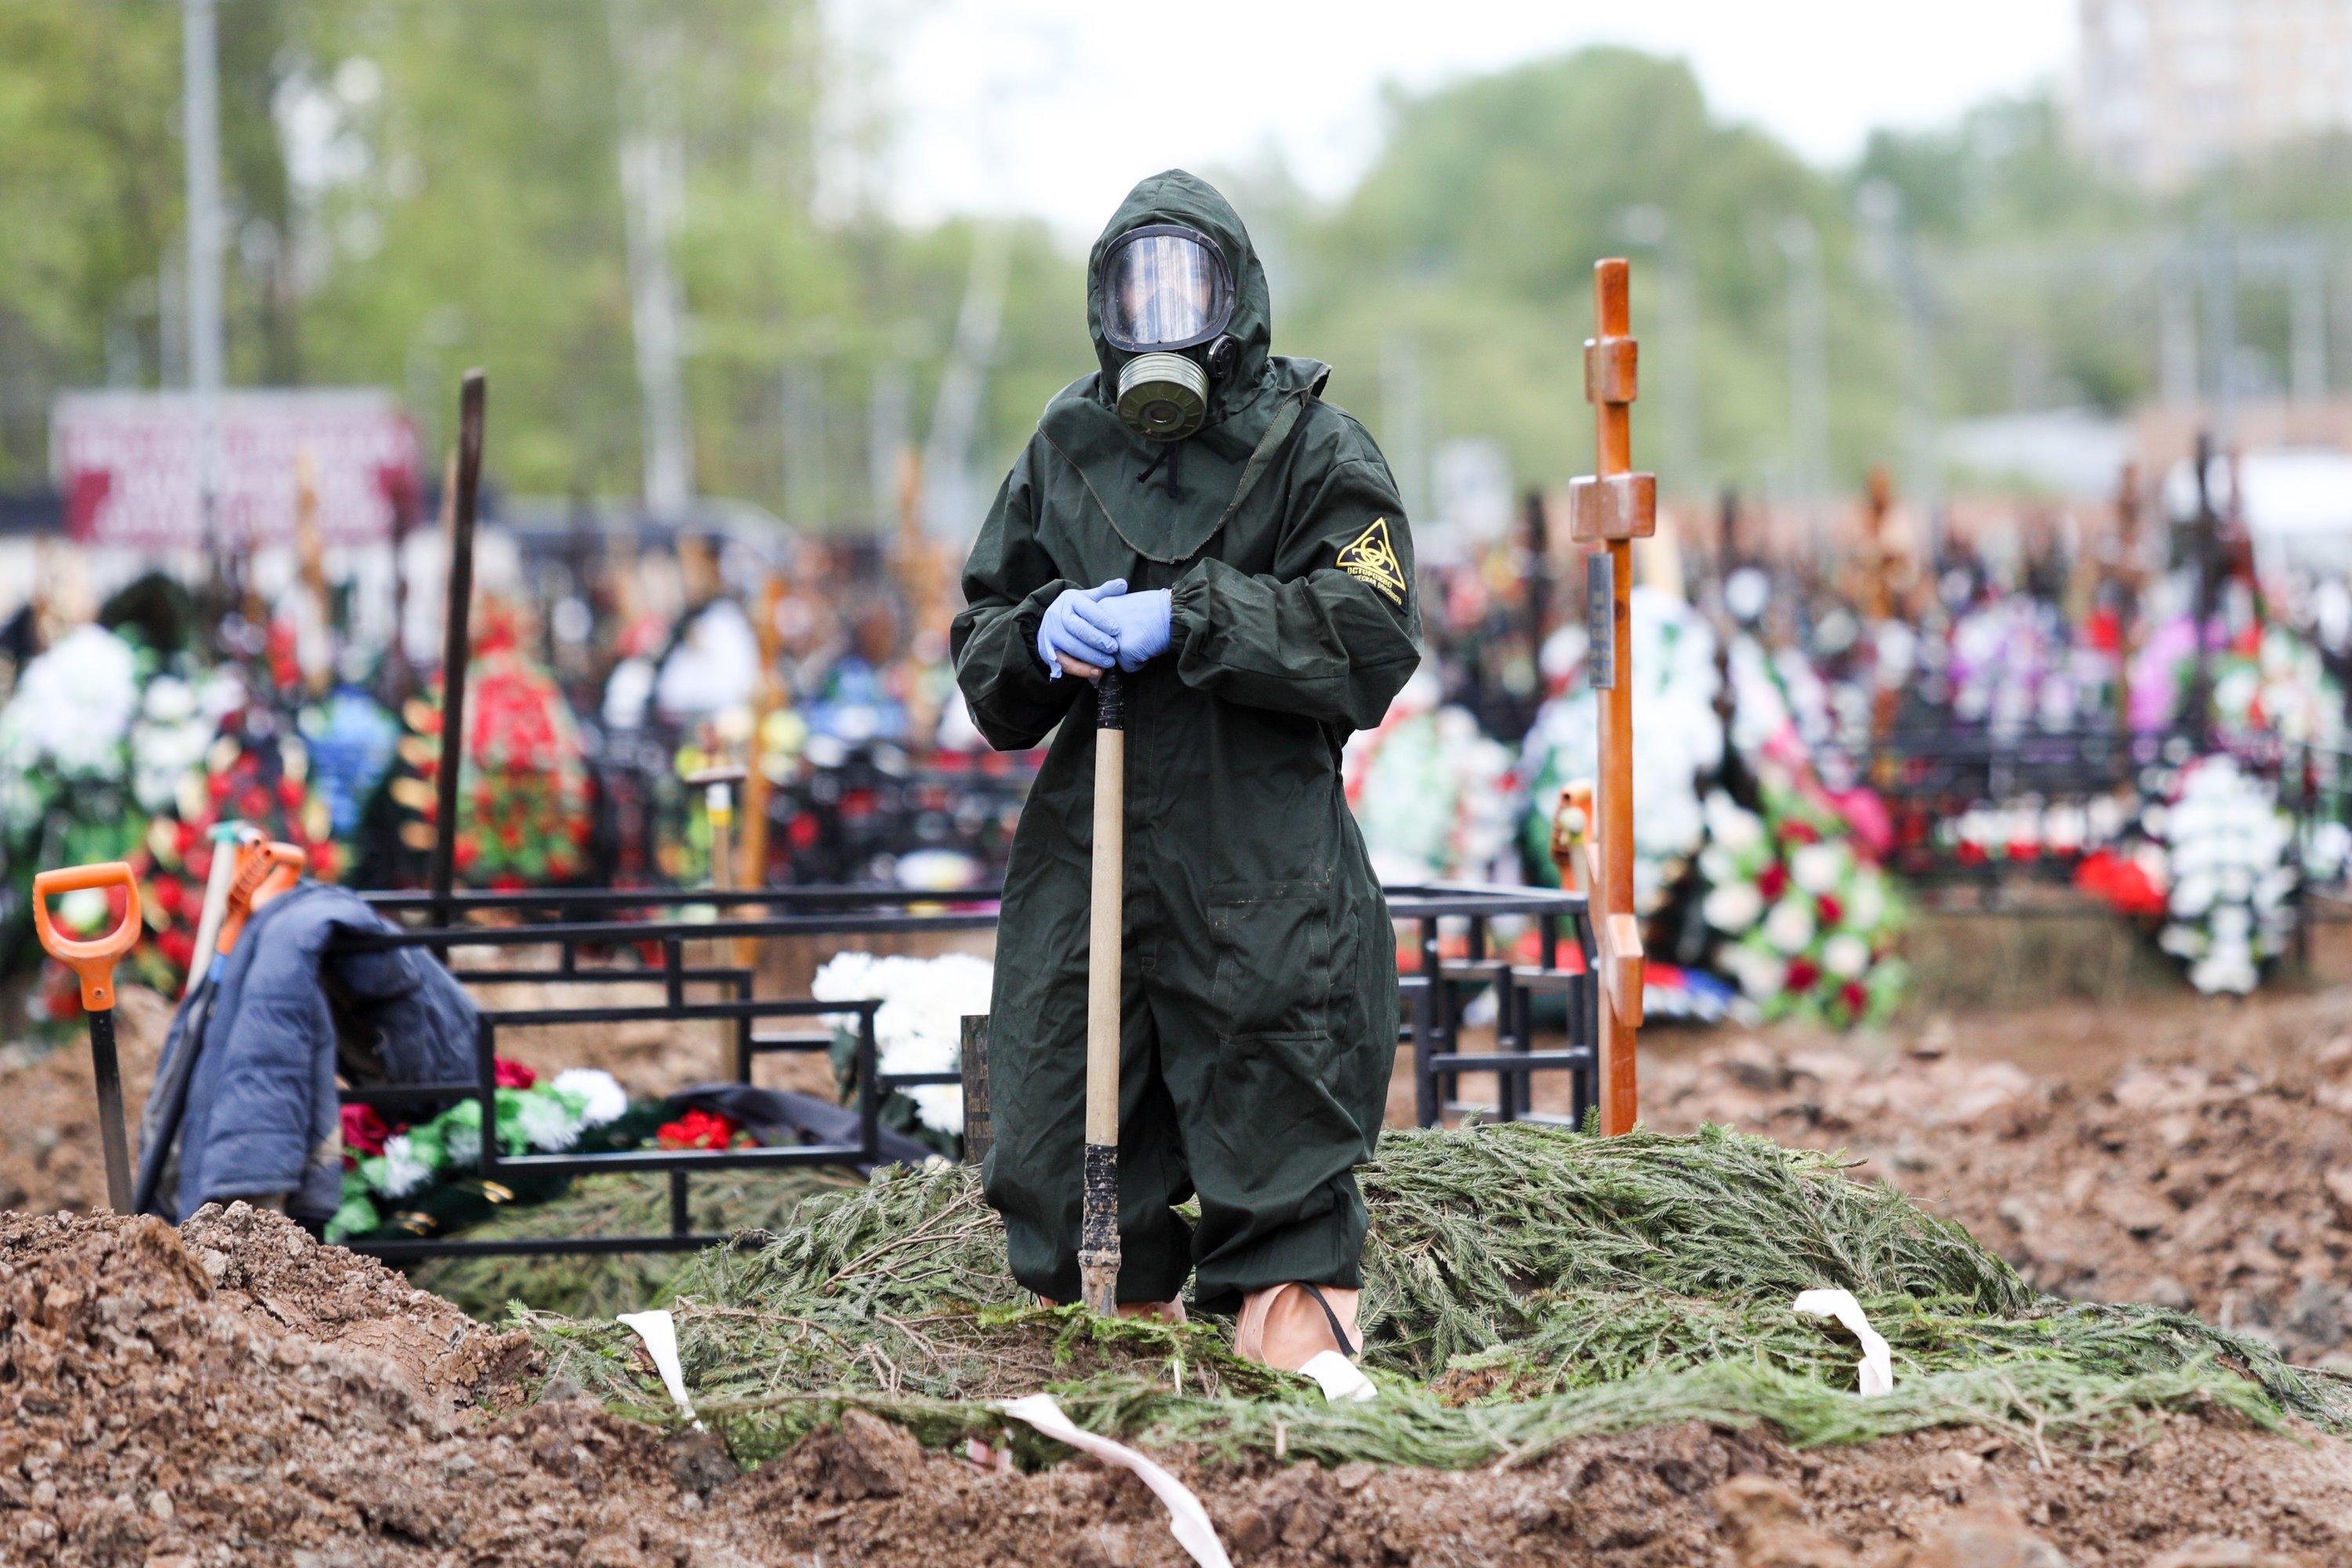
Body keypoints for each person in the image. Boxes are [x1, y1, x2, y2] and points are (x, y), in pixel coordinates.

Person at [951, 169, 1420, 1370]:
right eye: (1136, 287)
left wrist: (1196, 616)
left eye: (1187, 284)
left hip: (1257, 849)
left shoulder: (1316, 447)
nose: (1162, 314)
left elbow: (1370, 637)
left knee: (1280, 1105)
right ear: (1105, 303)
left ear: (1237, 294)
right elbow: (985, 637)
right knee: (1060, 1103)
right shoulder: (1068, 443)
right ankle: (1116, 1366)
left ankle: (1297, 1368)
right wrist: (1041, 633)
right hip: (1092, 841)